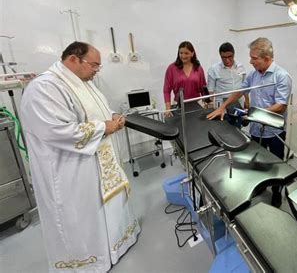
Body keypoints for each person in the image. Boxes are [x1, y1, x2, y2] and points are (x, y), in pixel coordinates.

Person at [20, 42, 140, 272]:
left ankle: (115, 245)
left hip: (98, 164)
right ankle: (89, 262)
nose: (96, 70)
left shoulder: (84, 82)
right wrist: (105, 127)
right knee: (81, 219)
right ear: (74, 59)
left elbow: (99, 109)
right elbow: (56, 131)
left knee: (105, 210)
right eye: (94, 65)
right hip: (69, 171)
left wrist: (113, 115)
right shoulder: (44, 88)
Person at [207, 37, 292, 207]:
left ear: (267, 59)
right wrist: (223, 106)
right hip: (255, 129)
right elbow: (239, 91)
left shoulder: (282, 76)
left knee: (276, 165)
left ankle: (276, 192)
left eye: (254, 58)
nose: (250, 61)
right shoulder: (253, 75)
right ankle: (260, 187)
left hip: (274, 131)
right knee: (257, 161)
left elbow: (280, 106)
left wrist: (253, 113)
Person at [207, 42, 249, 125]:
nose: (227, 60)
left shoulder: (240, 66)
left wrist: (247, 102)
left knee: (238, 129)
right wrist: (210, 108)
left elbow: (245, 87)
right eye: (224, 57)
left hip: (238, 104)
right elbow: (210, 92)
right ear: (220, 56)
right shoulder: (213, 69)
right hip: (222, 107)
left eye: (230, 56)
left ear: (234, 54)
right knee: (224, 129)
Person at [163, 41, 207, 116]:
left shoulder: (198, 68)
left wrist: (207, 102)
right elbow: (166, 90)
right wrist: (168, 108)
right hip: (178, 106)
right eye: (181, 53)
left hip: (196, 105)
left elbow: (203, 87)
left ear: (192, 53)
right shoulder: (171, 68)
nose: (183, 56)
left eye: (186, 53)